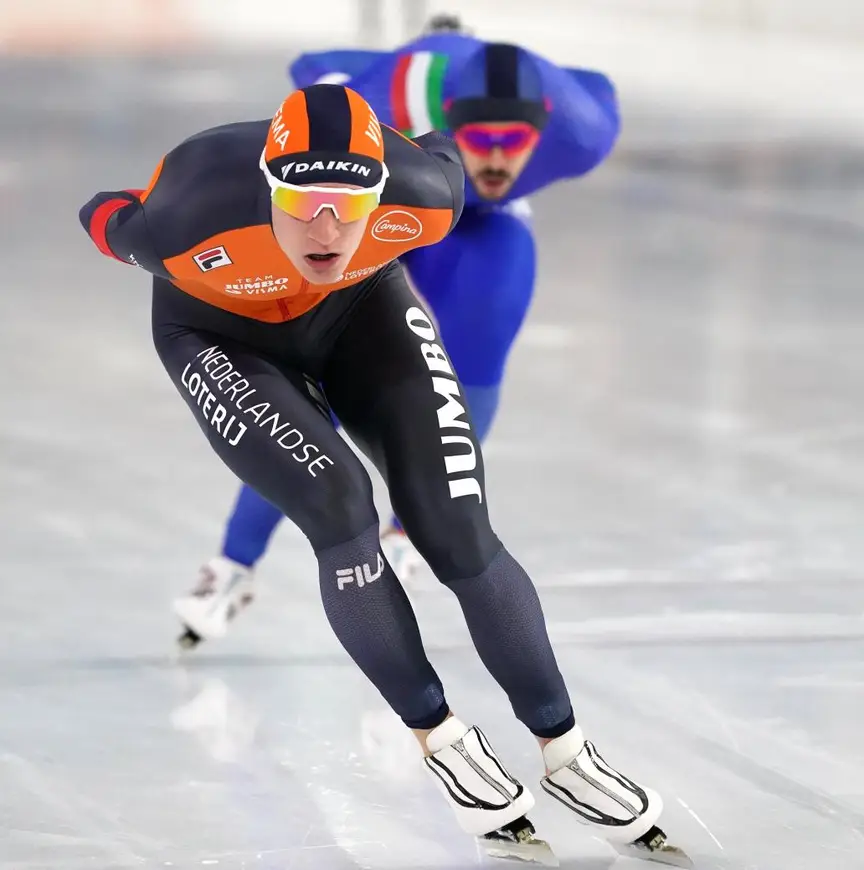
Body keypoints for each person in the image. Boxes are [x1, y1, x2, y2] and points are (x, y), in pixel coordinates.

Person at [79, 83, 686, 865]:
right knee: (340, 505)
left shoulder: (427, 194)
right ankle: (441, 739)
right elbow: (101, 210)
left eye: (349, 205)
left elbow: (441, 142)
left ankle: (567, 751)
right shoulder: (185, 221)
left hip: (359, 310)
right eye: (303, 204)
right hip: (219, 335)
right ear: (269, 187)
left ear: (381, 193)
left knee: (456, 526)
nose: (326, 229)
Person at [186, 16, 621, 624]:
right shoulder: (392, 98)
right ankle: (234, 562)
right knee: (330, 379)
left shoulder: (582, 129)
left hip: (477, 220)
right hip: (387, 202)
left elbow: (598, 83)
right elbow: (311, 83)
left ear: (545, 123)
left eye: (515, 140)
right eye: (480, 137)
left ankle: (409, 527)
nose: (498, 158)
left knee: (484, 330)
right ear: (450, 117)